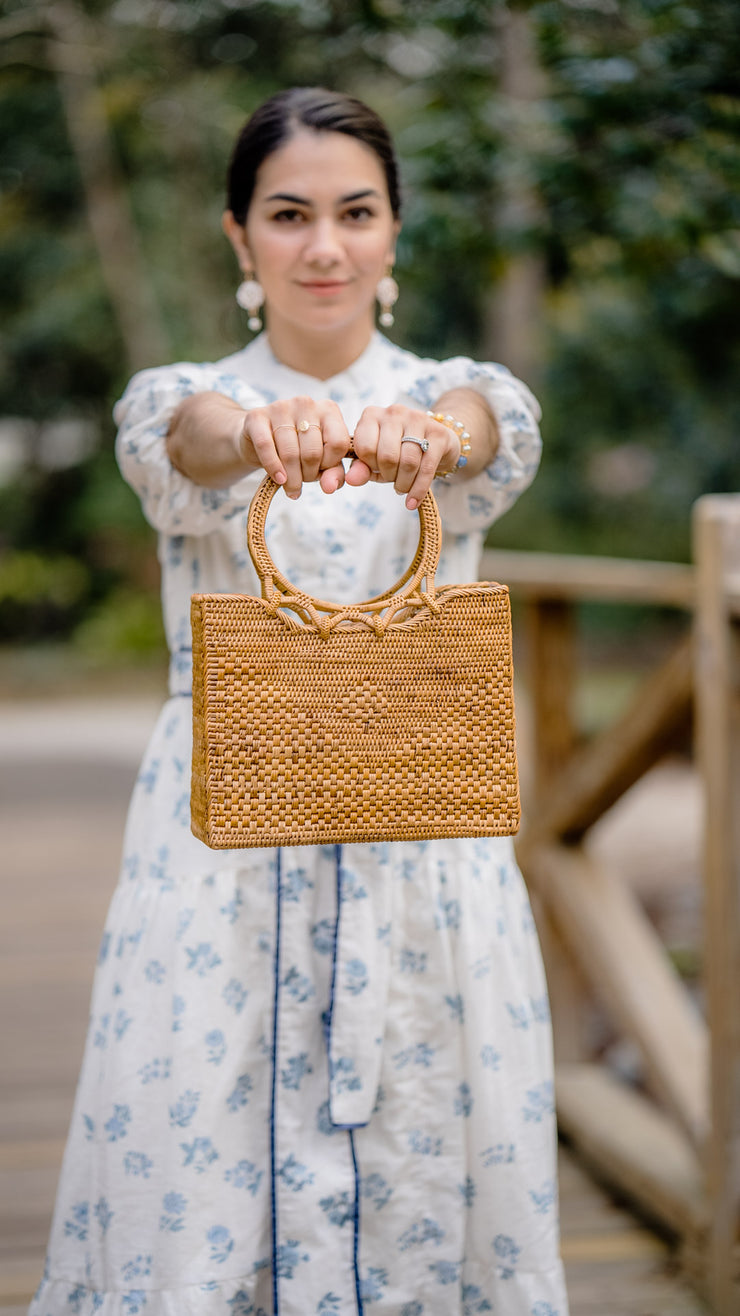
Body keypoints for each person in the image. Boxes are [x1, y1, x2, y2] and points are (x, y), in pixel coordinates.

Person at [31, 88, 569, 1316]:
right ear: (239, 237)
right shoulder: (183, 392)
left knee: (428, 1129)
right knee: (205, 1134)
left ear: (391, 235)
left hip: (419, 830)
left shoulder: (454, 387)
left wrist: (429, 432)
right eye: (288, 214)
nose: (322, 246)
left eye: (353, 212)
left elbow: (491, 430)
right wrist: (262, 425)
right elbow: (190, 441)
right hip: (222, 842)